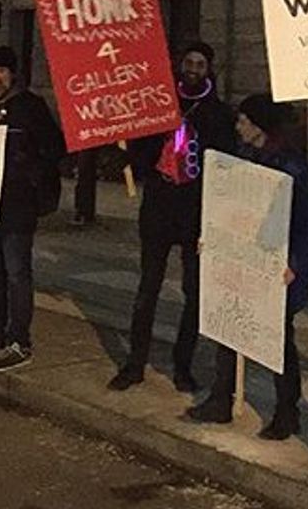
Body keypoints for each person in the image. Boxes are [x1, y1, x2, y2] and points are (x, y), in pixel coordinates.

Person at [185, 93, 308, 438]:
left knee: (276, 338)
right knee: (229, 324)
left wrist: (296, 264)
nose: (237, 126)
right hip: (241, 261)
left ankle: (287, 410)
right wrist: (212, 239)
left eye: (243, 120)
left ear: (258, 125)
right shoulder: (242, 156)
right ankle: (222, 397)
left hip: (277, 269)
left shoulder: (292, 167)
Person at [107, 41, 236, 393]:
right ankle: (135, 364)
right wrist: (130, 151)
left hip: (196, 211)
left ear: (208, 69)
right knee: (147, 287)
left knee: (193, 292)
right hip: (159, 207)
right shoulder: (158, 104)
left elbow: (226, 162)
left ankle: (183, 365)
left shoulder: (219, 114)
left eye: (200, 64)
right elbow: (139, 151)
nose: (193, 68)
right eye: (188, 62)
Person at [0, 45, 66, 373]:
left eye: (1, 72)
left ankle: (20, 340)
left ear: (12, 75)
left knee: (17, 273)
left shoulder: (31, 107)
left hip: (18, 205)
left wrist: (29, 165)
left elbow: (55, 148)